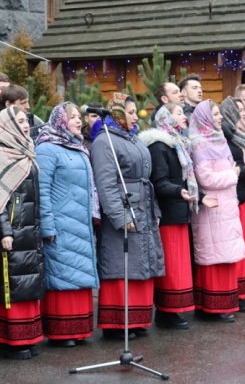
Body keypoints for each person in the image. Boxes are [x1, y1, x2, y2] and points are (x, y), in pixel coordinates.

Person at [90, 92, 165, 339]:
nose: (135, 117)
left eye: (135, 112)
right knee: (121, 265)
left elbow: (147, 179)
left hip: (142, 206)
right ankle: (117, 324)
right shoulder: (105, 141)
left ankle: (138, 318)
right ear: (118, 114)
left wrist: (154, 210)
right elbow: (106, 183)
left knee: (141, 263)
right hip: (124, 209)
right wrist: (120, 216)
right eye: (131, 112)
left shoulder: (132, 139)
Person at [0, 106, 45, 360]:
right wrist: (4, 231)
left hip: (30, 227)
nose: (26, 125)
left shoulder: (26, 149)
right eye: (19, 121)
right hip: (10, 231)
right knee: (12, 285)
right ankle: (10, 342)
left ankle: (27, 337)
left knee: (28, 285)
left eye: (26, 120)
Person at [35, 102, 99, 347]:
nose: (78, 121)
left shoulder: (77, 147)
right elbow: (42, 190)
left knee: (78, 272)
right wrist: (48, 226)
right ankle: (62, 331)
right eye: (72, 117)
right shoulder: (48, 148)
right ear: (60, 120)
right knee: (62, 273)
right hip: (60, 223)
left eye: (78, 117)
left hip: (80, 222)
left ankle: (80, 328)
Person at [139, 103, 197, 329]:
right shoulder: (159, 145)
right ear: (166, 117)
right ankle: (166, 311)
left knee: (179, 265)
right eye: (179, 113)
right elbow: (159, 181)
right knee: (171, 265)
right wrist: (178, 191)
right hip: (168, 213)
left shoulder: (179, 143)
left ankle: (174, 309)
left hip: (180, 209)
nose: (184, 116)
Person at [189, 100, 245, 322]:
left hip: (226, 205)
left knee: (226, 256)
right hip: (212, 206)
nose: (220, 117)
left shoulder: (219, 138)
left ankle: (225, 303)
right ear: (204, 118)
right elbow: (205, 178)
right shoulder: (199, 143)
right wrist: (233, 175)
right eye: (214, 114)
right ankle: (211, 307)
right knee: (213, 258)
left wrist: (233, 173)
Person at [219, 96, 245, 311]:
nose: (242, 113)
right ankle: (234, 291)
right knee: (234, 246)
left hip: (243, 192)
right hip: (231, 195)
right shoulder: (224, 135)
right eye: (238, 110)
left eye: (244, 110)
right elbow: (229, 165)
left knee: (242, 246)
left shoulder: (239, 134)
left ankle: (242, 292)